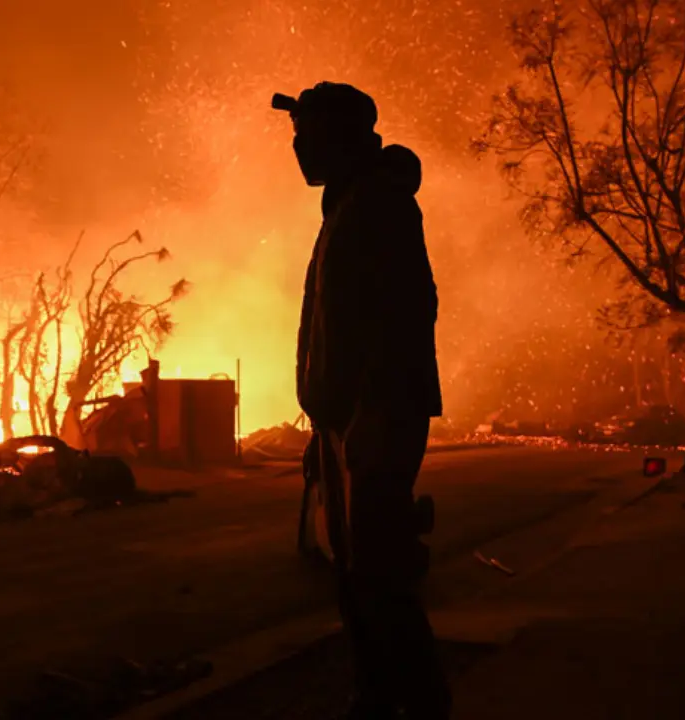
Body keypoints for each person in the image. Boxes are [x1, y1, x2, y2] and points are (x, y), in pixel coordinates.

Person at [273, 82, 449, 720]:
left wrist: (373, 412)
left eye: (308, 135)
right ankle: (377, 699)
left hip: (374, 419)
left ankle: (417, 706)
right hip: (347, 422)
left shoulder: (377, 203)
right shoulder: (348, 203)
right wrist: (324, 428)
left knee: (380, 583)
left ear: (342, 136)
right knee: (357, 581)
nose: (298, 149)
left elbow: (407, 311)